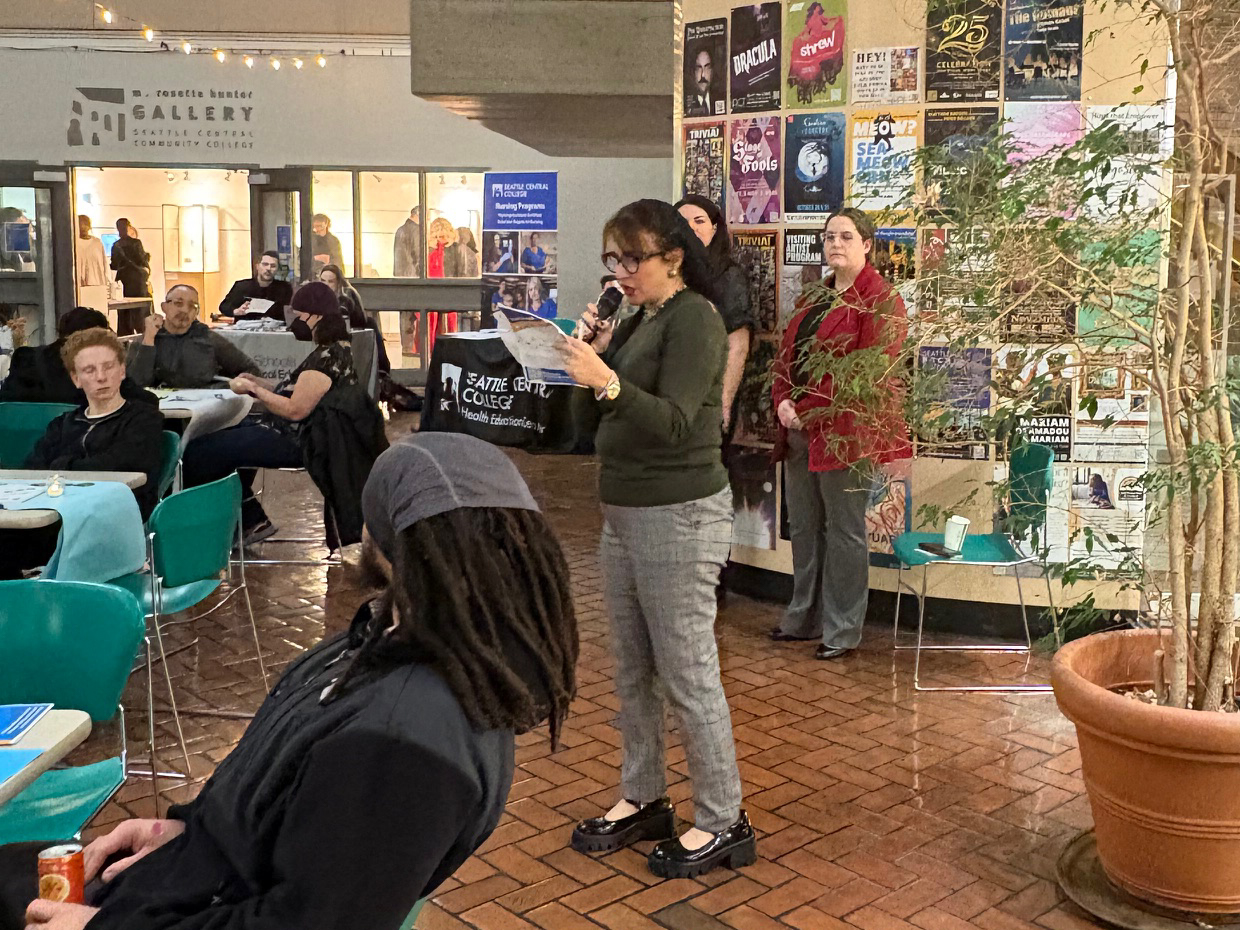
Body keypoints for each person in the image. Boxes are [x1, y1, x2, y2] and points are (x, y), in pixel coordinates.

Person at [0, 432, 579, 930]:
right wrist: (182, 831)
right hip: (186, 876)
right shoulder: (387, 640)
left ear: (384, 537)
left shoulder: (405, 739)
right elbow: (282, 801)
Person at [560, 199, 756, 878]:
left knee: (688, 673)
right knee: (632, 669)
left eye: (633, 258)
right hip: (626, 514)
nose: (622, 273)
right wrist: (591, 361)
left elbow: (675, 424)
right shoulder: (639, 321)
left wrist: (609, 381)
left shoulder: (696, 318)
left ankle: (724, 817)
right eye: (613, 260)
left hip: (680, 513)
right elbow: (587, 424)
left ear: (673, 257)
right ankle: (644, 796)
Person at [769, 207, 910, 660]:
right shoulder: (814, 297)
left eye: (846, 236)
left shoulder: (882, 299)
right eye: (829, 236)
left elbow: (865, 374)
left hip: (846, 433)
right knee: (806, 528)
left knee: (845, 532)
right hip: (796, 429)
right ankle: (803, 616)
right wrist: (782, 402)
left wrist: (806, 410)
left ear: (866, 245)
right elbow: (785, 358)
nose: (835, 244)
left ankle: (842, 629)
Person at [181, 282, 357, 543]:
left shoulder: (328, 356)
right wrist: (264, 384)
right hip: (301, 432)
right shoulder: (334, 350)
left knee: (198, 453)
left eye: (298, 316)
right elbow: (300, 390)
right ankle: (248, 522)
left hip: (301, 440)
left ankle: (235, 524)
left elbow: (295, 409)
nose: (294, 321)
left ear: (315, 315)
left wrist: (254, 389)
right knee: (224, 438)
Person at [24, 327, 164, 520]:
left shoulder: (144, 419)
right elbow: (32, 469)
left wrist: (62, 465)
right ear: (76, 379)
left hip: (116, 515)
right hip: (57, 512)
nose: (101, 377)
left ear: (122, 370)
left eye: (108, 367)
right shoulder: (62, 424)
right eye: (89, 370)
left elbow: (117, 467)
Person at [675, 195, 755, 438]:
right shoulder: (667, 275)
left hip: (710, 391)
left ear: (715, 227)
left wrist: (725, 402)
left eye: (699, 221)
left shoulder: (729, 276)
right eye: (682, 222)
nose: (691, 228)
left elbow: (738, 344)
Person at [0, 306, 155, 406]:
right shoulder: (95, 369)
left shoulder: (25, 358)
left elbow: (6, 402)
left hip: (18, 450)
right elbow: (147, 400)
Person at [127, 284, 261, 389]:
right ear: (164, 307)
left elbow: (251, 370)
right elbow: (135, 384)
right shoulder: (146, 339)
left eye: (192, 306)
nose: (185, 310)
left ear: (196, 312)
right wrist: (149, 341)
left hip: (204, 411)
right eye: (178, 303)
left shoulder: (209, 339)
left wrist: (227, 388)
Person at [218, 251, 294, 320]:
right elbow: (224, 307)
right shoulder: (242, 286)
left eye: (273, 266)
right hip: (246, 329)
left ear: (277, 269)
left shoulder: (284, 288)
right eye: (265, 264)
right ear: (257, 266)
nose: (268, 268)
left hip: (274, 330)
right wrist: (236, 311)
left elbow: (288, 311)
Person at [109, 219, 152, 335]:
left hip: (123, 282)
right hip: (138, 282)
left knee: (124, 316)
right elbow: (142, 261)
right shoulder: (136, 243)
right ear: (128, 227)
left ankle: (125, 343)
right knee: (140, 315)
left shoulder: (115, 245)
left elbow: (113, 265)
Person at [319, 264, 367, 329]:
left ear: (338, 283)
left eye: (331, 281)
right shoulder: (317, 297)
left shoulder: (346, 297)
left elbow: (357, 324)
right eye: (323, 280)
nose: (326, 285)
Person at [75, 215, 108, 288]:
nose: (83, 226)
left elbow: (104, 264)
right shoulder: (74, 243)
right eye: (80, 223)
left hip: (96, 285)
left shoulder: (97, 243)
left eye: (85, 224)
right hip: (78, 287)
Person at [686, 47, 719, 116]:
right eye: (699, 68)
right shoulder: (684, 105)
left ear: (712, 71)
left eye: (707, 68)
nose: (703, 75)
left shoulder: (721, 99)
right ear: (693, 72)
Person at [393, 206, 422, 277]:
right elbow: (418, 254)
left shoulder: (400, 229)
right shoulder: (416, 230)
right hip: (413, 274)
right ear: (418, 215)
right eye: (427, 218)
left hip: (400, 274)